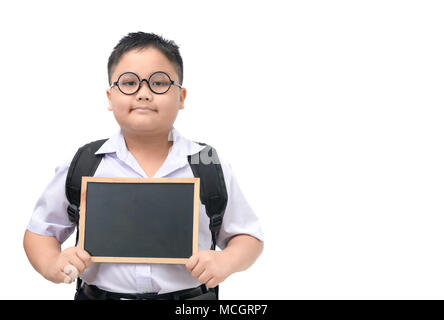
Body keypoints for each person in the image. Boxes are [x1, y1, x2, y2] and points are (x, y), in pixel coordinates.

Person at [23, 31, 264, 300]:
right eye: (129, 83)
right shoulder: (85, 164)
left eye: (159, 82)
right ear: (110, 96)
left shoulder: (206, 165)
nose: (144, 94)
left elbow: (247, 235)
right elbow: (40, 233)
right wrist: (52, 264)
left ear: (181, 97)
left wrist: (227, 261)